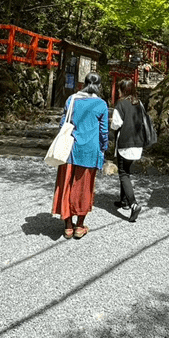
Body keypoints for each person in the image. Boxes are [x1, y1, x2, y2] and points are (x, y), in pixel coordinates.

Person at [51, 71, 108, 239]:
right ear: (98, 86)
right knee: (84, 188)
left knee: (66, 185)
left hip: (69, 150)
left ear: (83, 83)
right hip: (90, 151)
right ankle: (80, 226)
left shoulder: (72, 99)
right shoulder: (101, 104)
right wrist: (103, 148)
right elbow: (103, 132)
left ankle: (68, 226)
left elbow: (63, 123)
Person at [111, 78, 145, 223]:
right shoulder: (139, 103)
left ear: (123, 90)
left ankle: (133, 204)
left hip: (125, 143)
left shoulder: (121, 105)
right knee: (127, 170)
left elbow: (115, 124)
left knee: (123, 173)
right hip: (138, 142)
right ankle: (123, 200)